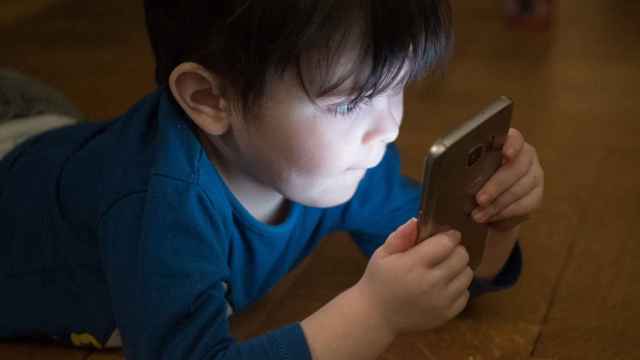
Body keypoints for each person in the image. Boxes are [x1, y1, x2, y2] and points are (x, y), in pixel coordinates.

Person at [0, 1, 545, 359]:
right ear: (212, 100)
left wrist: (495, 222)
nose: (389, 126)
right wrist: (373, 314)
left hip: (56, 140)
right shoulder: (160, 206)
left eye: (396, 86)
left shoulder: (346, 159)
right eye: (353, 100)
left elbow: (452, 270)